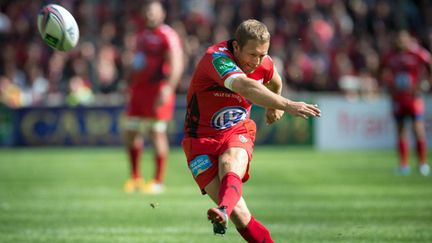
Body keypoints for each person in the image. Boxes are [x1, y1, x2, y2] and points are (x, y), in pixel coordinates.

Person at [181, 19, 321, 242]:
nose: (257, 62)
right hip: (199, 140)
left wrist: (271, 106)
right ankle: (228, 211)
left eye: (263, 55)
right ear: (236, 47)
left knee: (230, 161)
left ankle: (223, 210)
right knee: (241, 215)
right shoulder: (216, 58)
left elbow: (275, 81)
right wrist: (286, 104)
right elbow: (246, 86)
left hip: (236, 130)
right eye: (253, 55)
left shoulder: (263, 62)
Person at [123, 0, 184, 193]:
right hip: (139, 90)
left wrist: (169, 88)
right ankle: (135, 178)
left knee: (156, 132)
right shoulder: (141, 35)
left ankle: (158, 181)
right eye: (147, 12)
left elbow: (177, 63)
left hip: (158, 89)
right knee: (131, 131)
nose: (150, 15)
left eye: (153, 12)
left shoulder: (167, 35)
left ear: (162, 14)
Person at [380, 30, 431, 176]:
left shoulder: (417, 53)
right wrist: (387, 85)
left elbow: (429, 65)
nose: (400, 42)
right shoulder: (390, 55)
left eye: (402, 39)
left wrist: (425, 84)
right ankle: (404, 165)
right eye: (398, 40)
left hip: (413, 98)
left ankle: (422, 164)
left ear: (409, 40)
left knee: (418, 130)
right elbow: (380, 69)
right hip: (398, 98)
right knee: (401, 131)